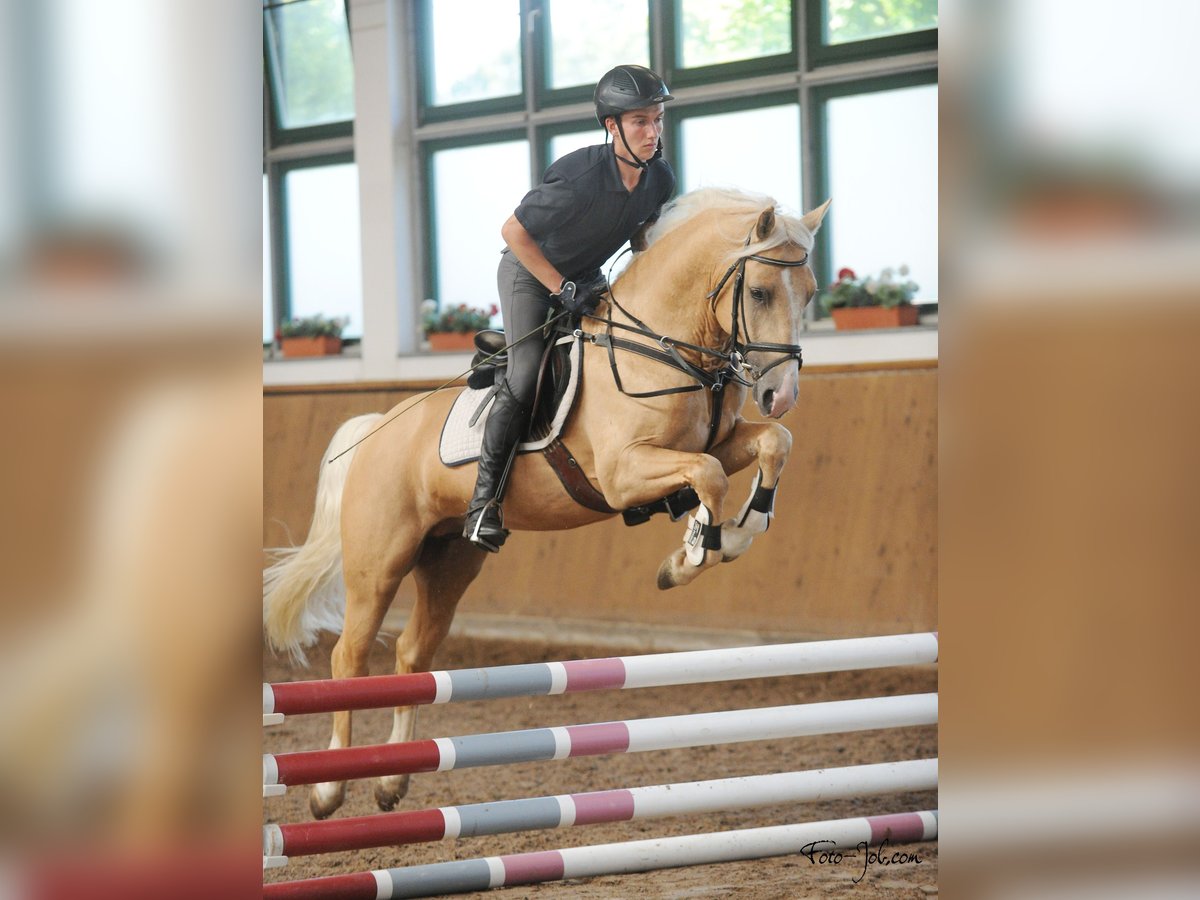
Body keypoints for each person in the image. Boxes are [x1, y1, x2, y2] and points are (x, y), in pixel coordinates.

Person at [463, 64, 676, 552]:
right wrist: (561, 287)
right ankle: (483, 506)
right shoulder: (578, 176)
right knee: (526, 375)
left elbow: (641, 233)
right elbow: (513, 233)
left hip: (585, 279)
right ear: (611, 126)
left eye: (657, 119)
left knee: (627, 355)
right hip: (531, 275)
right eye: (640, 121)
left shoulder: (658, 178)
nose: (652, 131)